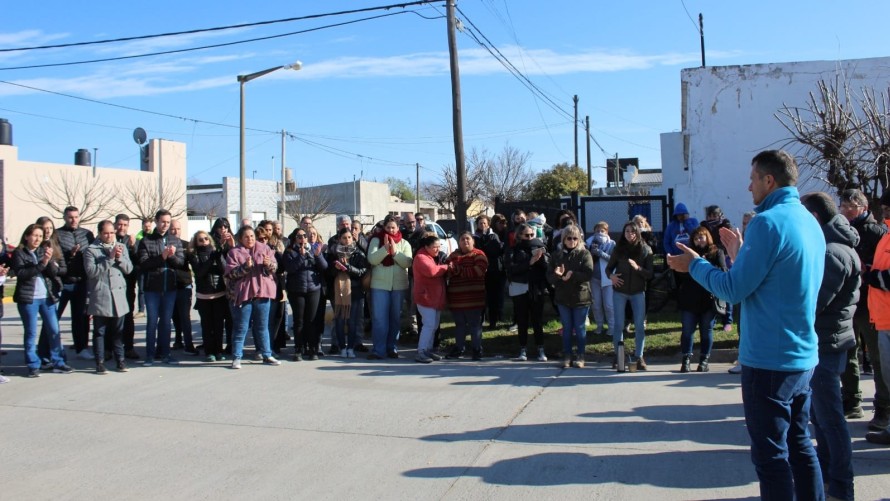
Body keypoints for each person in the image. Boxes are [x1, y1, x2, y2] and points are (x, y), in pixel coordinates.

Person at [667, 150, 826, 499]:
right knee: (801, 446)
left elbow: (733, 290)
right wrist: (741, 255)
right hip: (802, 355)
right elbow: (779, 279)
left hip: (769, 359)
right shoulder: (806, 219)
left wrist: (694, 265)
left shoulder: (768, 224)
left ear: (769, 181)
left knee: (771, 456)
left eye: (753, 178)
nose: (748, 185)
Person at [800, 192, 859, 500]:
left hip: (826, 344)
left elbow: (814, 302)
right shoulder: (832, 247)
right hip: (827, 341)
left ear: (815, 218)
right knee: (821, 421)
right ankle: (826, 485)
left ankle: (841, 489)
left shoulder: (831, 253)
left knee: (830, 421)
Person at [838, 188, 888, 429]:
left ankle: (882, 408)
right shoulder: (840, 231)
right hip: (848, 302)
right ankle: (851, 401)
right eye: (843, 207)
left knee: (878, 359)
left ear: (863, 208)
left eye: (851, 207)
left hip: (870, 302)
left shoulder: (877, 232)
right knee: (847, 353)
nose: (846, 211)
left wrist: (867, 272)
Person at [11, 224, 72, 377]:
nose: (37, 239)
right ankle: (33, 365)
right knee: (31, 332)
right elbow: (22, 273)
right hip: (28, 298)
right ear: (26, 236)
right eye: (34, 235)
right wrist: (41, 264)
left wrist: (49, 261)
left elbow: (53, 273)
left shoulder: (42, 251)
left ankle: (58, 361)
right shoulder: (19, 253)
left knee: (54, 330)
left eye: (40, 236)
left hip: (47, 297)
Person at [224, 226, 281, 369]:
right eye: (246, 237)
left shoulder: (265, 248)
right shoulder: (234, 253)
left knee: (262, 327)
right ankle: (237, 357)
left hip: (262, 293)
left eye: (252, 236)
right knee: (241, 327)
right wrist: (245, 267)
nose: (250, 239)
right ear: (241, 239)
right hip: (243, 295)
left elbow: (275, 268)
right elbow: (230, 274)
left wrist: (269, 264)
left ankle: (267, 354)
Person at [84, 220, 134, 374]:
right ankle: (100, 362)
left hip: (118, 295)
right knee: (100, 331)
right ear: (99, 233)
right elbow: (91, 272)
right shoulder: (91, 250)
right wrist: (110, 258)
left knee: (118, 331)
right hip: (101, 295)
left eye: (112, 233)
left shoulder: (121, 247)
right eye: (106, 233)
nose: (110, 236)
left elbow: (129, 269)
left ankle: (120, 360)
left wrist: (119, 258)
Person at [676, 226, 726, 373]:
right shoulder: (690, 254)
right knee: (687, 330)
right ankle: (686, 359)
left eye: (701, 237)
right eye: (696, 238)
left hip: (708, 299)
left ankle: (704, 360)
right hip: (690, 298)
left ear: (707, 237)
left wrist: (705, 265)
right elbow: (681, 274)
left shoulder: (717, 252)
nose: (699, 240)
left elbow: (723, 271)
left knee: (706, 330)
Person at [137, 209, 184, 366]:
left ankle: (166, 354)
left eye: (168, 222)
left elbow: (181, 263)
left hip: (170, 288)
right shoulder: (146, 240)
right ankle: (150, 355)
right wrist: (161, 257)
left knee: (165, 322)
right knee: (152, 322)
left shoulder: (175, 240)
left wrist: (171, 256)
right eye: (163, 222)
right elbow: (143, 264)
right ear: (156, 222)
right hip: (152, 289)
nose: (165, 225)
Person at [606, 221, 654, 370]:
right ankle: (618, 355)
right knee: (619, 325)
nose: (630, 234)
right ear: (623, 233)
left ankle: (639, 357)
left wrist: (638, 268)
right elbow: (608, 269)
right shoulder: (618, 249)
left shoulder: (646, 250)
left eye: (633, 232)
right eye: (627, 231)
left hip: (638, 292)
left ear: (638, 233)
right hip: (620, 292)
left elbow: (650, 274)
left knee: (639, 326)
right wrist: (612, 277)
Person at [863, 191, 890, 446]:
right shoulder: (886, 235)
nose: (883, 212)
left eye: (886, 207)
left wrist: (871, 276)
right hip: (883, 318)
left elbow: (887, 277)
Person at [366, 215, 412, 360]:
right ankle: (378, 349)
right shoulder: (376, 240)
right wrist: (385, 249)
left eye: (393, 227)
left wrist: (395, 253)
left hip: (398, 285)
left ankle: (392, 347)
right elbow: (372, 259)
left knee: (395, 319)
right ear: (384, 228)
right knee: (380, 319)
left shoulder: (404, 243)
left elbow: (407, 262)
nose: (391, 230)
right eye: (388, 227)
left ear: (398, 228)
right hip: (379, 285)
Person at [547, 225, 594, 368]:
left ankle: (581, 355)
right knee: (566, 328)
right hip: (563, 297)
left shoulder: (584, 254)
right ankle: (567, 355)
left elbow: (588, 273)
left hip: (581, 297)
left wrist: (572, 275)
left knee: (580, 329)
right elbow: (549, 278)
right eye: (569, 238)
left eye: (575, 238)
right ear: (564, 239)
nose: (572, 241)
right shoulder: (556, 255)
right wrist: (557, 275)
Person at [55, 206, 95, 361]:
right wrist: (69, 254)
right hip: (63, 281)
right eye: (70, 217)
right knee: (53, 318)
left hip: (82, 281)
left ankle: (82, 347)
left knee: (81, 317)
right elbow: (56, 258)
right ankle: (50, 349)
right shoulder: (57, 234)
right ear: (64, 217)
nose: (73, 220)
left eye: (76, 217)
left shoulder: (86, 234)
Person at [506, 223, 549, 362]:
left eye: (532, 235)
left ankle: (540, 349)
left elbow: (548, 267)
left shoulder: (539, 246)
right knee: (522, 320)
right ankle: (522, 349)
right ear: (519, 236)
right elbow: (511, 269)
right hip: (520, 288)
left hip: (536, 288)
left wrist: (542, 258)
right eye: (526, 235)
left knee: (537, 320)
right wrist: (529, 262)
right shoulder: (513, 250)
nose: (530, 237)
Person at [283, 226, 327, 361]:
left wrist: (318, 256)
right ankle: (298, 348)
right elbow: (290, 268)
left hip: (314, 289)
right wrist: (301, 256)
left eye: (304, 236)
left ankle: (312, 348)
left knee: (312, 320)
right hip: (297, 290)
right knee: (299, 321)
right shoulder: (290, 251)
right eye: (300, 236)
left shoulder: (314, 249)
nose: (303, 239)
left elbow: (324, 267)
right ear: (295, 239)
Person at [445, 231, 488, 360]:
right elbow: (447, 270)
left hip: (474, 299)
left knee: (475, 325)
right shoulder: (453, 256)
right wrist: (454, 270)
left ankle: (476, 349)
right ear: (459, 242)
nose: (465, 241)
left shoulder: (479, 254)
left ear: (473, 241)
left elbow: (478, 271)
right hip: (456, 299)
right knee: (459, 325)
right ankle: (459, 348)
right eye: (462, 239)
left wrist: (457, 270)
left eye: (468, 239)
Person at [328, 227, 368, 358]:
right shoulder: (333, 253)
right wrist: (336, 268)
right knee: (339, 320)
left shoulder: (358, 253)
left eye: (349, 237)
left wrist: (348, 268)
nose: (347, 240)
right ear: (339, 239)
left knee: (352, 322)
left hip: (355, 291)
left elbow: (362, 272)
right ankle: (342, 347)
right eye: (344, 238)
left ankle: (351, 347)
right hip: (338, 291)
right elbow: (328, 273)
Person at [188, 230, 227, 362]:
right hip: (204, 296)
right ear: (196, 242)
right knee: (207, 326)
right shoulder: (194, 255)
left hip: (219, 294)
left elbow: (224, 270)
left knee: (218, 325)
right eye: (200, 239)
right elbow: (199, 272)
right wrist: (211, 260)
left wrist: (218, 256)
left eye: (206, 238)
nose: (204, 241)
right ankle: (209, 352)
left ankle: (219, 351)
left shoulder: (215, 252)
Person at [412, 233, 451, 363]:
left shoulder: (433, 257)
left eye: (439, 247)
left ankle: (428, 349)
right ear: (427, 246)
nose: (438, 249)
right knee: (428, 324)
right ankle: (421, 351)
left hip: (435, 298)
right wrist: (446, 267)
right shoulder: (420, 257)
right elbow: (432, 271)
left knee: (433, 325)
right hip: (425, 297)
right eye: (435, 247)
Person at [114, 214, 141, 361]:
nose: (122, 227)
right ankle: (108, 348)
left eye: (125, 225)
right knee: (110, 318)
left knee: (128, 317)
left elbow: (138, 262)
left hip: (127, 285)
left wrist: (133, 247)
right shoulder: (110, 239)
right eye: (119, 224)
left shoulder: (132, 241)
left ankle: (129, 348)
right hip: (110, 286)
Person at [169, 220, 196, 355]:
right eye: (173, 229)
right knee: (174, 316)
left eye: (178, 229)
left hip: (184, 284)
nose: (175, 231)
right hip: (169, 286)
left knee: (185, 316)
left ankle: (189, 344)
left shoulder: (186, 245)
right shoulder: (165, 245)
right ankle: (178, 339)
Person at [473, 215, 504, 330]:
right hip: (480, 270)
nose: (482, 225)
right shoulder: (475, 237)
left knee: (493, 297)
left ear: (488, 224)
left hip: (493, 270)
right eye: (480, 223)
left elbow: (494, 250)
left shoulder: (493, 236)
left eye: (484, 223)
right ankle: (480, 319)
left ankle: (493, 320)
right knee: (480, 297)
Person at [586, 221, 615, 337]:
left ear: (607, 232)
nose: (599, 233)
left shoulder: (612, 244)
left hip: (607, 279)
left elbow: (613, 260)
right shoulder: (589, 242)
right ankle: (599, 325)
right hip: (594, 279)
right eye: (597, 231)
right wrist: (591, 252)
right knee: (596, 304)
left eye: (602, 231)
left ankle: (612, 327)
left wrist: (600, 253)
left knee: (608, 305)